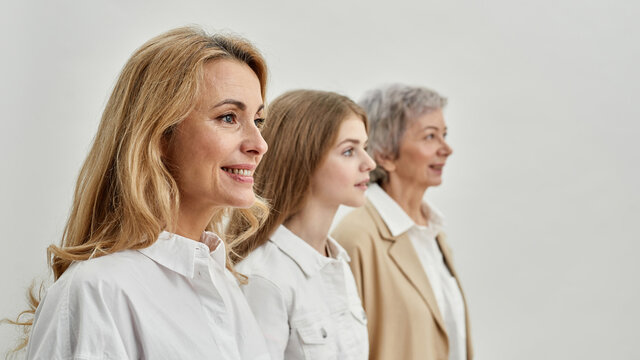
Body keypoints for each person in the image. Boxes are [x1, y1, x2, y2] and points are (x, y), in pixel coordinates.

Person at [12, 26, 272, 359]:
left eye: (258, 120)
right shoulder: (98, 292)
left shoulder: (225, 285)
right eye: (228, 117)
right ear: (159, 135)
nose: (259, 144)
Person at [227, 90, 375, 360]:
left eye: (364, 148)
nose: (369, 163)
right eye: (349, 151)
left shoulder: (338, 263)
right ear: (303, 158)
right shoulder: (264, 279)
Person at [331, 84, 473, 360]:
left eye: (444, 135)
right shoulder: (356, 238)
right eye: (430, 137)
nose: (447, 149)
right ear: (384, 154)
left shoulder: (433, 232)